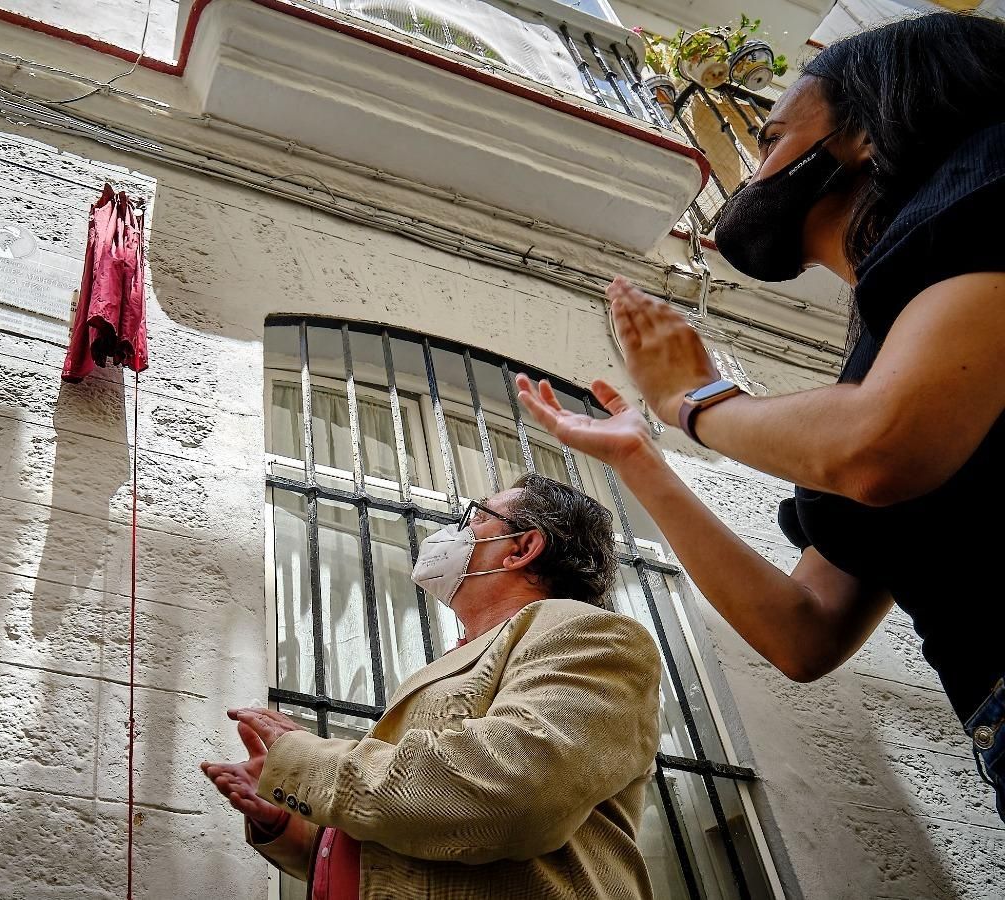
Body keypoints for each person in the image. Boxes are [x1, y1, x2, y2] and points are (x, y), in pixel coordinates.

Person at [515, 12, 1005, 821]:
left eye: (772, 137)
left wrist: (699, 404)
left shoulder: (993, 175)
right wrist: (643, 457)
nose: (750, 165)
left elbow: (880, 449)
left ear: (868, 133)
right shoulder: (882, 362)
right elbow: (803, 633)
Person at [202, 475, 662, 898]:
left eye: (476, 519)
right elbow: (411, 845)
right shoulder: (467, 655)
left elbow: (504, 795)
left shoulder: (591, 634)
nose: (453, 533)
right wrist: (288, 822)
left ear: (522, 548)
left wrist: (302, 760)